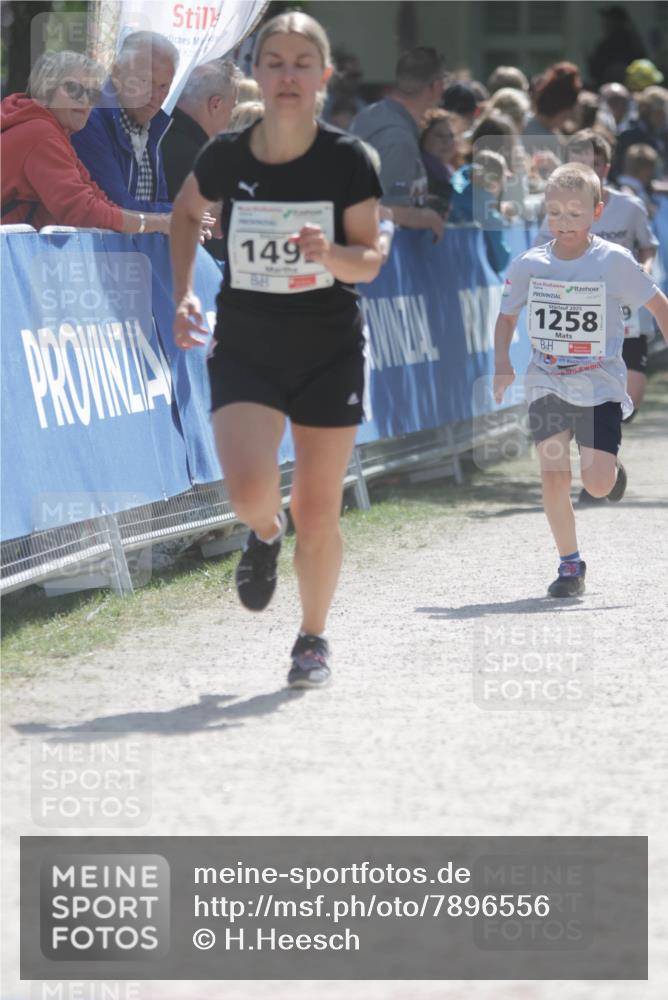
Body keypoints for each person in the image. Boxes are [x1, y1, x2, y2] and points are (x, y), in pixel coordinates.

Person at [169, 11, 382, 688]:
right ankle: (264, 533)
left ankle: (312, 639)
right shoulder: (227, 154)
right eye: (274, 62)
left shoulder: (348, 159)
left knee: (318, 508)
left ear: (322, 76)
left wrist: (334, 256)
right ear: (255, 73)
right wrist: (184, 293)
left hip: (329, 348)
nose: (287, 75)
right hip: (249, 344)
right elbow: (184, 212)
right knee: (248, 491)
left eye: (301, 63)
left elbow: (369, 260)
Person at [493, 162, 668, 597]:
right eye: (555, 213)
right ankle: (570, 565)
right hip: (546, 381)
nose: (564, 223)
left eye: (575, 213)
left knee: (597, 483)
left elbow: (659, 307)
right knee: (553, 473)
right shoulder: (531, 264)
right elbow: (506, 316)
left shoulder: (613, 261)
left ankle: (611, 469)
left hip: (600, 383)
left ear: (597, 212)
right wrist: (502, 361)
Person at [534, 130, 658, 451]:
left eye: (597, 164)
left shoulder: (630, 207)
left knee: (631, 397)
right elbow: (537, 258)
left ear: (607, 167)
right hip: (579, 321)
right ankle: (599, 462)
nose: (590, 171)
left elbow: (647, 248)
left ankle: (605, 455)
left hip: (625, 314)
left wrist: (641, 272)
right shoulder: (555, 211)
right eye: (580, 164)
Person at [1, 50, 169, 234]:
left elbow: (98, 199)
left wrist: (162, 221)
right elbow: (82, 212)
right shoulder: (42, 134)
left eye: (92, 94)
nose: (84, 99)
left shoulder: (56, 134)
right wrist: (156, 224)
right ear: (45, 91)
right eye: (73, 89)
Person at [72, 31, 179, 213]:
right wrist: (184, 213)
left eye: (163, 86)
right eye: (145, 81)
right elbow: (118, 207)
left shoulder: (151, 125)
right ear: (117, 73)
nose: (154, 96)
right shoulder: (89, 119)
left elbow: (158, 201)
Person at [351, 46, 445, 242]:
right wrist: (427, 217)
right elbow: (382, 210)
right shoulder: (398, 138)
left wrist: (419, 200)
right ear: (436, 87)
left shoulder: (371, 115)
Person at [163, 59, 241, 201]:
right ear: (216, 104)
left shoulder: (150, 133)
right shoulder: (200, 163)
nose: (232, 118)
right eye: (232, 108)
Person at [449, 149, 511, 274]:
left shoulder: (454, 193)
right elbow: (499, 261)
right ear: (496, 182)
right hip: (468, 277)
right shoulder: (489, 215)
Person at [588, 5, 647, 89]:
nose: (604, 24)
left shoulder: (622, 42)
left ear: (618, 22)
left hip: (617, 88)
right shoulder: (632, 40)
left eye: (609, 20)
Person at [419, 108, 458, 214]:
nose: (447, 141)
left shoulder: (449, 171)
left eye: (451, 136)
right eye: (439, 135)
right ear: (424, 137)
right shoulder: (419, 172)